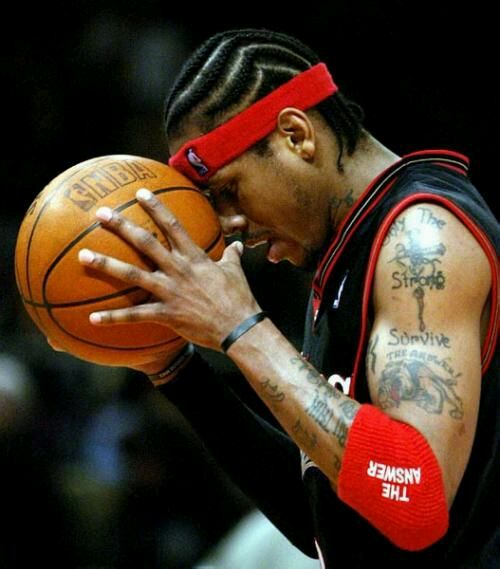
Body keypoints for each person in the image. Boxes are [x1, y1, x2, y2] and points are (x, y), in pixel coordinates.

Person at [73, 29, 498, 567]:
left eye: (229, 190)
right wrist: (175, 370)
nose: (229, 224)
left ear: (296, 135)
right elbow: (324, 515)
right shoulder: (343, 253)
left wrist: (242, 327)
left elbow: (414, 497)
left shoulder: (420, 239)